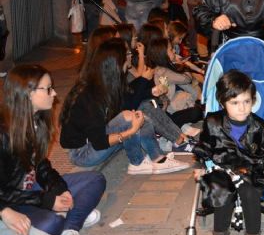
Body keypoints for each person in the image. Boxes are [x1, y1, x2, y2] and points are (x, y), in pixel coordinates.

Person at [0, 64, 105, 235]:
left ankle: (69, 229)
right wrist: (46, 200)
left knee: (95, 180)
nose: (55, 93)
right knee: (51, 223)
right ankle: (63, 221)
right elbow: (5, 192)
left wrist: (58, 188)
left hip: (32, 189)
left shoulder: (36, 121)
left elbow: (41, 166)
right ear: (29, 93)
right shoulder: (3, 133)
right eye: (48, 89)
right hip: (11, 202)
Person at [60, 38, 189, 175]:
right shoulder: (92, 95)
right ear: (118, 60)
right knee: (128, 117)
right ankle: (138, 162)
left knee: (139, 112)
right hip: (82, 153)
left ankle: (158, 156)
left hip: (98, 140)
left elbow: (128, 98)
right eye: (127, 53)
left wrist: (149, 90)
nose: (130, 56)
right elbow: (99, 142)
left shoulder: (108, 82)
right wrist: (131, 131)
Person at [194, 70, 264, 235]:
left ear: (253, 100)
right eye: (234, 103)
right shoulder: (213, 122)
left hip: (251, 169)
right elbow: (204, 146)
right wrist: (201, 165)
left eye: (246, 101)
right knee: (221, 189)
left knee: (250, 190)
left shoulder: (259, 126)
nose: (242, 108)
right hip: (222, 169)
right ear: (223, 103)